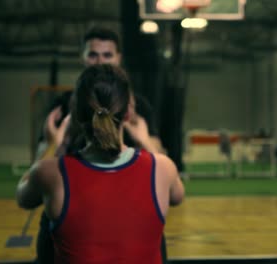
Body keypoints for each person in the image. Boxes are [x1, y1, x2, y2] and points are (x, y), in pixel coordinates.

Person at [17, 64, 185, 264]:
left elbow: (23, 198)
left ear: (77, 116)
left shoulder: (49, 173)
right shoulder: (163, 168)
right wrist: (145, 141)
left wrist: (54, 143)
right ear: (127, 114)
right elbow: (177, 195)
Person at [34, 26, 167, 263]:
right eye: (93, 54)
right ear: (82, 57)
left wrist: (142, 140)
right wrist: (58, 143)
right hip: (76, 210)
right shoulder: (63, 106)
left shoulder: (138, 107)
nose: (99, 61)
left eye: (107, 55)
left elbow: (160, 163)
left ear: (118, 58)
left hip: (131, 209)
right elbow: (40, 173)